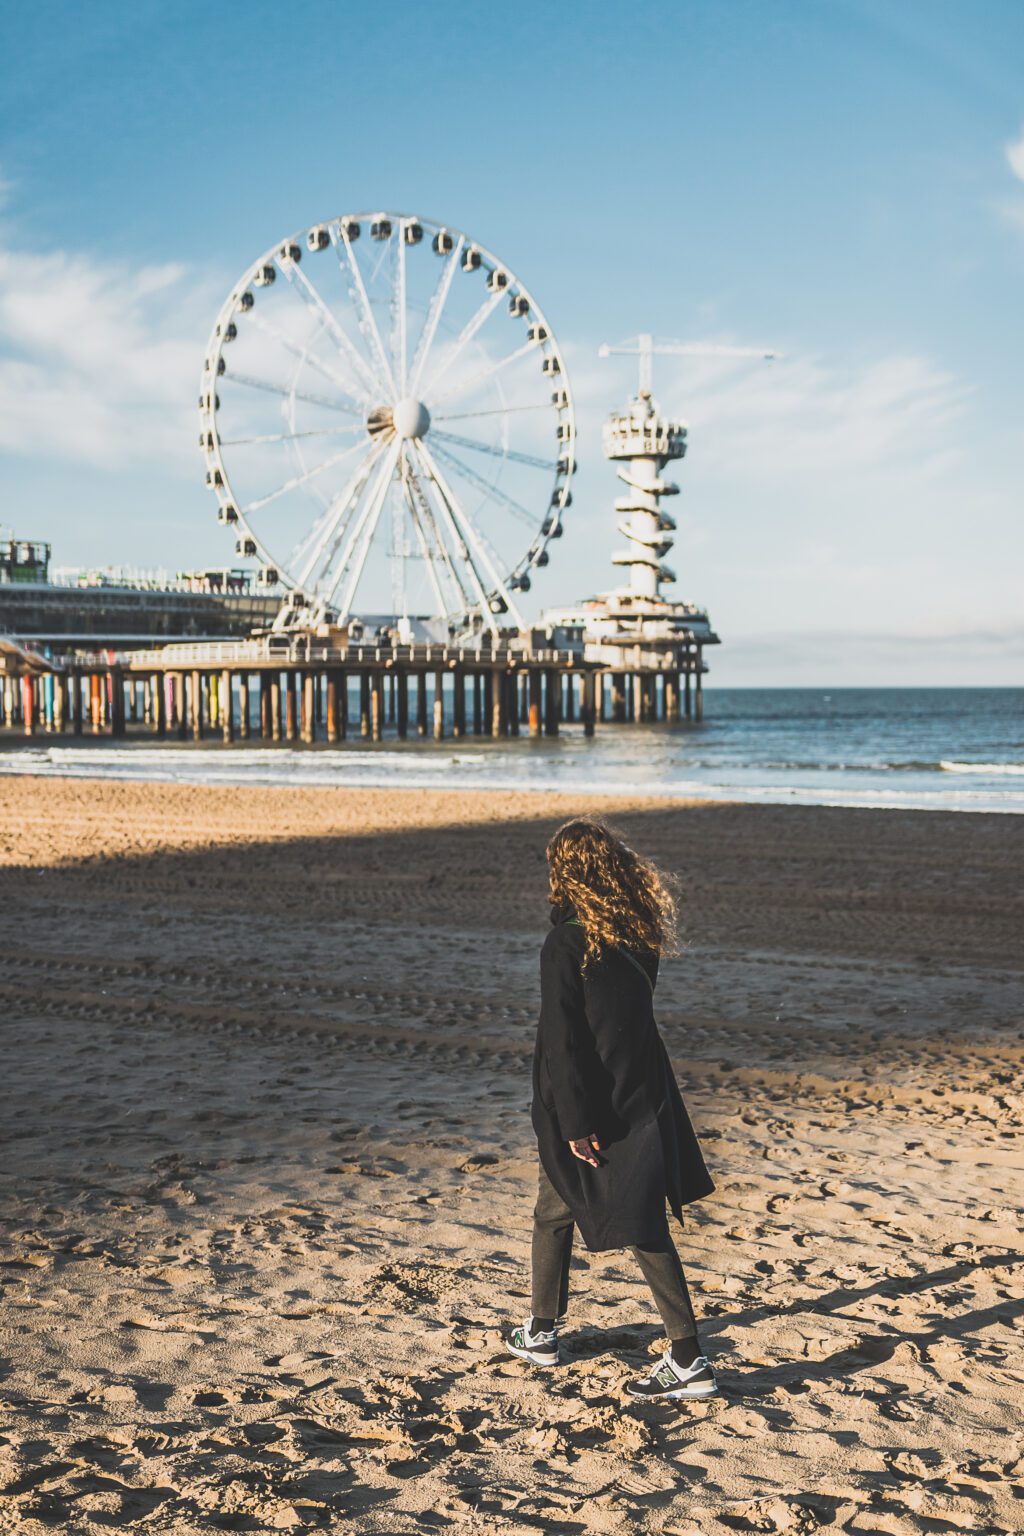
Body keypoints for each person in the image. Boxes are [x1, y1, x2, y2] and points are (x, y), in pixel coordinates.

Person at [504, 816, 717, 1401]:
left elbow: (564, 1042)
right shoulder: (637, 937)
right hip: (639, 1092)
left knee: (642, 1225)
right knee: (554, 1208)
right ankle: (542, 1330)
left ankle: (688, 1358)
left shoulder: (565, 943)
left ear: (567, 873)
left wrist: (574, 1124)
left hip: (592, 1105)